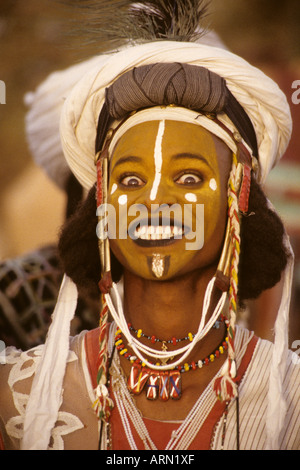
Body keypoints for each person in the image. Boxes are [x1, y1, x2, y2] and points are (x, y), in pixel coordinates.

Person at [0, 1, 299, 451]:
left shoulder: (289, 401)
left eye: (190, 177)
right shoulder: (17, 400)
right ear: (101, 204)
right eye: (131, 179)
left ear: (237, 198)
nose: (155, 200)